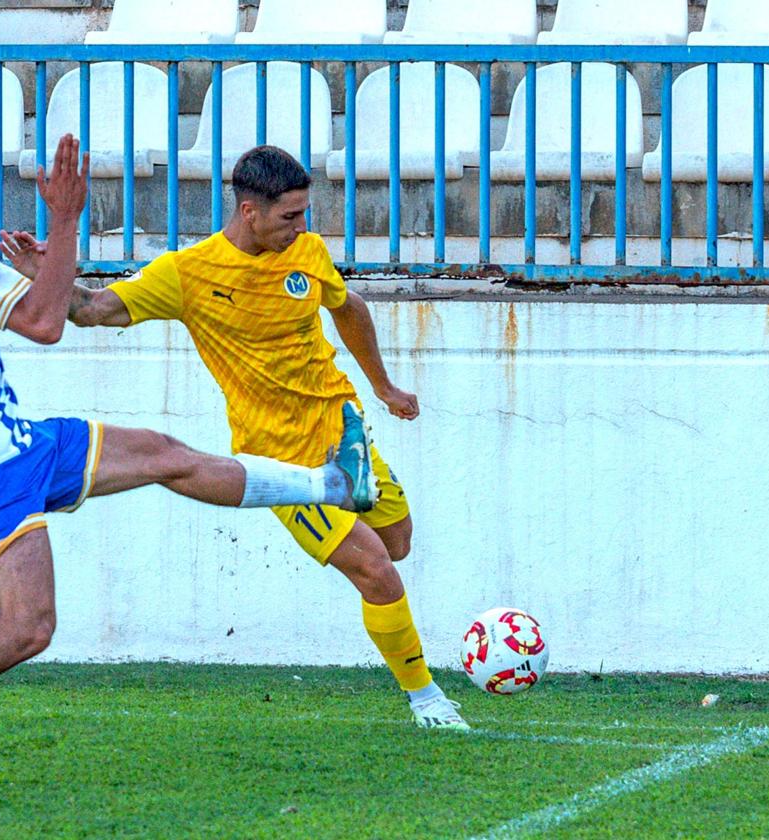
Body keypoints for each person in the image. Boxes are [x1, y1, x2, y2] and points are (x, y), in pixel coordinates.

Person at [0, 114, 379, 799]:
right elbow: (43, 324)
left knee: (163, 455)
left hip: (5, 439)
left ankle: (332, 483)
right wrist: (64, 219)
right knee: (28, 625)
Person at [39, 145, 469, 731]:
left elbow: (348, 307)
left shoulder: (308, 253)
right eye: (290, 217)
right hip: (279, 459)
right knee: (376, 569)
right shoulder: (187, 273)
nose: (303, 227)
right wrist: (43, 272)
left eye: (305, 214)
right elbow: (90, 311)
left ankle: (353, 489)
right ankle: (426, 698)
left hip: (343, 430)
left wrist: (385, 386)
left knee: (397, 544)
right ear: (249, 211)